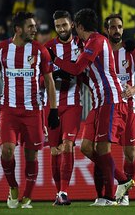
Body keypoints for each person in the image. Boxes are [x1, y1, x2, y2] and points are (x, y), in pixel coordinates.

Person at [49, 8, 135, 206]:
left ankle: (109, 196)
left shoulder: (96, 41)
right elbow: (84, 74)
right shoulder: (89, 43)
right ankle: (123, 179)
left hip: (110, 100)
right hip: (97, 103)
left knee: (102, 149)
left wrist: (55, 59)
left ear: (78, 26)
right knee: (87, 147)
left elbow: (78, 68)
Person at [0, 11, 59, 209]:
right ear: (18, 29)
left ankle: (27, 197)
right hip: (9, 111)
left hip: (33, 111)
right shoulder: (1, 49)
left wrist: (53, 110)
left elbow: (50, 82)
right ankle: (13, 187)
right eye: (30, 26)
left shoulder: (40, 51)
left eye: (35, 26)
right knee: (7, 151)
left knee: (31, 155)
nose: (34, 30)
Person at [102, 13, 135, 206]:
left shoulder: (132, 52)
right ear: (106, 30)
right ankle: (105, 193)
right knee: (102, 150)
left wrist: (133, 90)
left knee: (130, 154)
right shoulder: (101, 49)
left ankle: (124, 193)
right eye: (113, 27)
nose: (117, 30)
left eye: (120, 27)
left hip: (129, 108)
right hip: (107, 106)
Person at [44, 10, 83, 206]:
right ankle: (57, 192)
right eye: (58, 26)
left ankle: (64, 192)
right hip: (51, 105)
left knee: (68, 145)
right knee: (54, 151)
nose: (61, 29)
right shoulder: (48, 47)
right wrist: (58, 73)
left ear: (72, 25)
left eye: (64, 25)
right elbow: (39, 79)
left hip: (73, 104)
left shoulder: (81, 45)